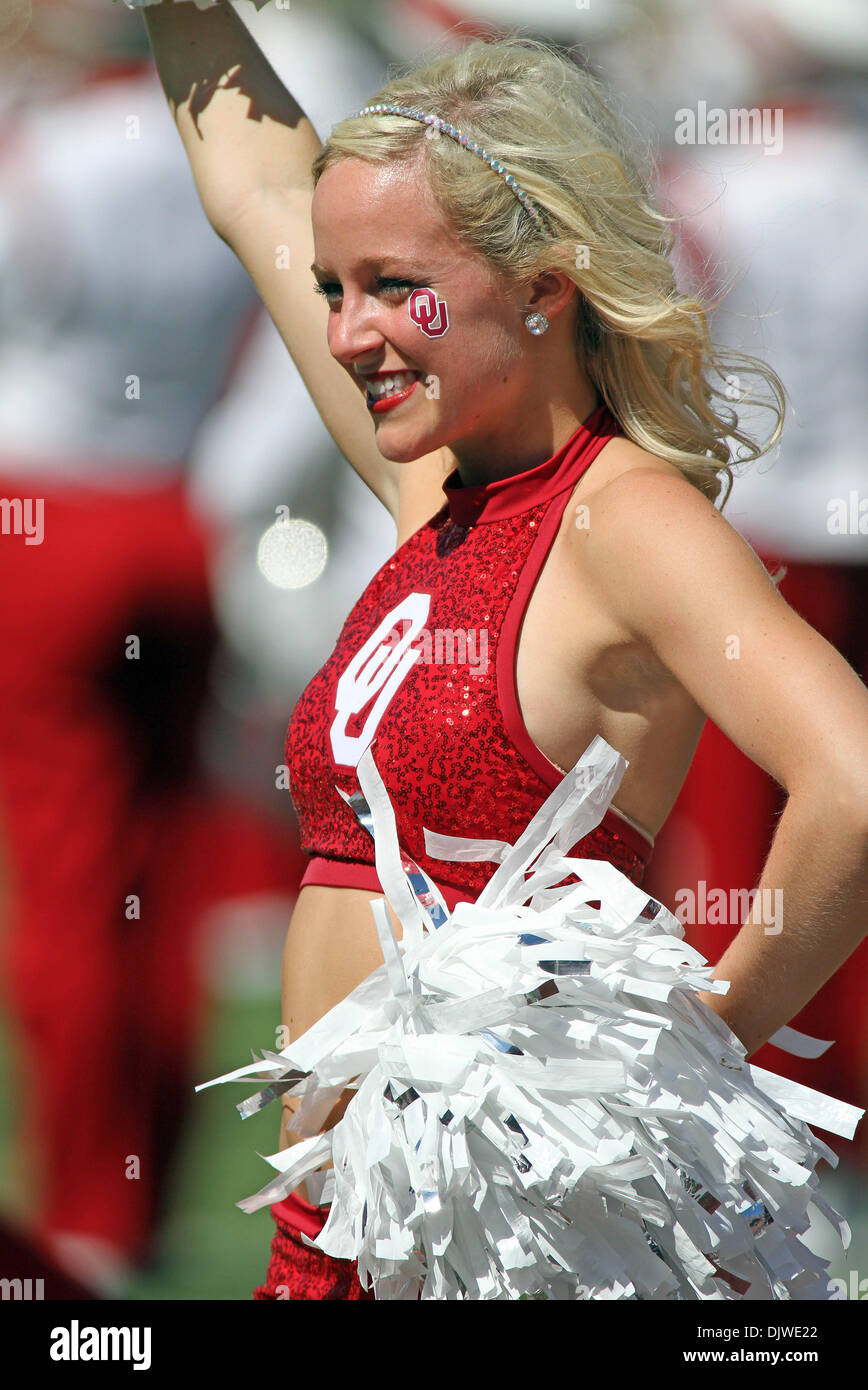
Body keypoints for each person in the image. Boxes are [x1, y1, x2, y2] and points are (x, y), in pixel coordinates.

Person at [138, 0, 868, 1300]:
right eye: (334, 289)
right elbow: (256, 187)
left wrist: (701, 1037)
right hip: (331, 1233)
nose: (350, 332)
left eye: (394, 289)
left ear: (544, 287)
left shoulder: (625, 519)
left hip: (501, 1250)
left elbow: (855, 782)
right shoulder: (445, 489)